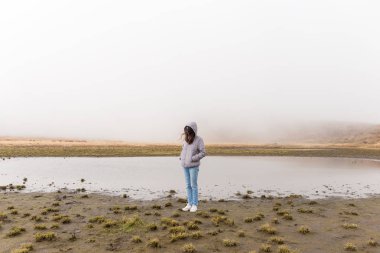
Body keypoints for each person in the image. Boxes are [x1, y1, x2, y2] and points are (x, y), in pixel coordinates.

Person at [180, 122, 206, 212]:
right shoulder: (186, 139)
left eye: (189, 131)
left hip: (193, 166)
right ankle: (189, 203)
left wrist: (193, 158)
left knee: (193, 185)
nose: (187, 133)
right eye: (186, 131)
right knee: (188, 185)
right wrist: (181, 157)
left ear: (193, 130)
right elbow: (184, 150)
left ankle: (195, 204)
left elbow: (203, 152)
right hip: (185, 166)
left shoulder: (199, 140)